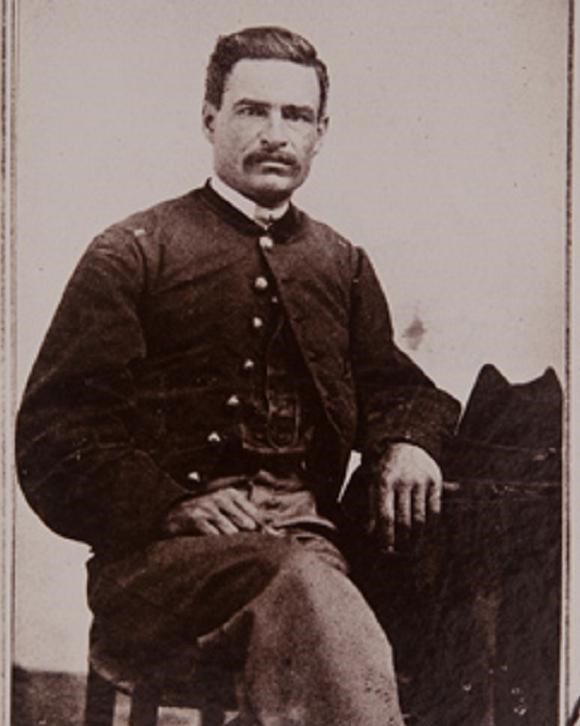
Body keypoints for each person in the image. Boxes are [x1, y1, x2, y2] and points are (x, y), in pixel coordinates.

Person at [16, 26, 460, 725]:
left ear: (320, 134)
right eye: (254, 110)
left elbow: (399, 389)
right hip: (164, 571)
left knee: (460, 563)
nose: (277, 134)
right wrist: (169, 504)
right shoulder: (134, 252)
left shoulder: (339, 264)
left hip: (313, 554)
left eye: (297, 116)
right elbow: (54, 436)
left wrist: (410, 441)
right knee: (299, 581)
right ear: (210, 119)